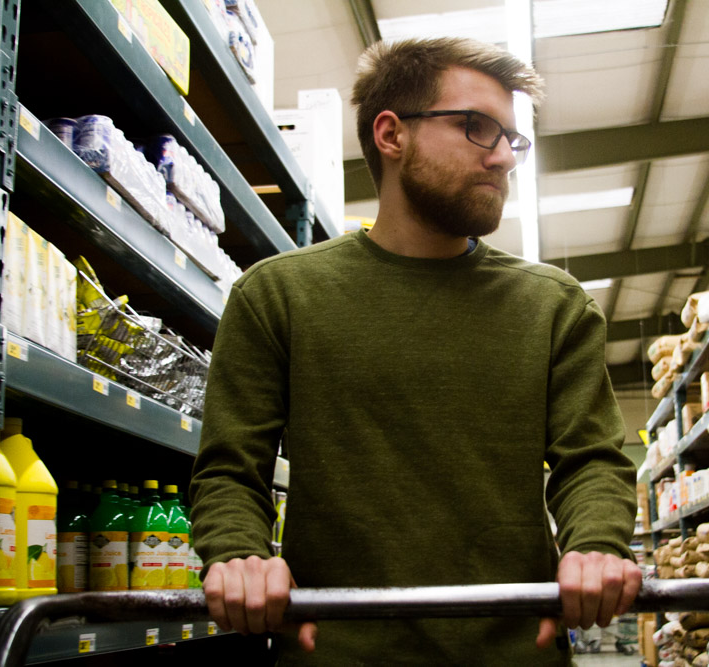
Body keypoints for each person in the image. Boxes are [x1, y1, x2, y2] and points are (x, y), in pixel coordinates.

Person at [189, 36, 641, 665]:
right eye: (479, 128)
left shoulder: (555, 307)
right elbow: (230, 469)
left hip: (511, 653)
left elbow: (591, 461)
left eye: (514, 139)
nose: (505, 157)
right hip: (336, 652)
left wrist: (595, 544)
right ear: (391, 134)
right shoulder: (278, 297)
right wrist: (240, 552)